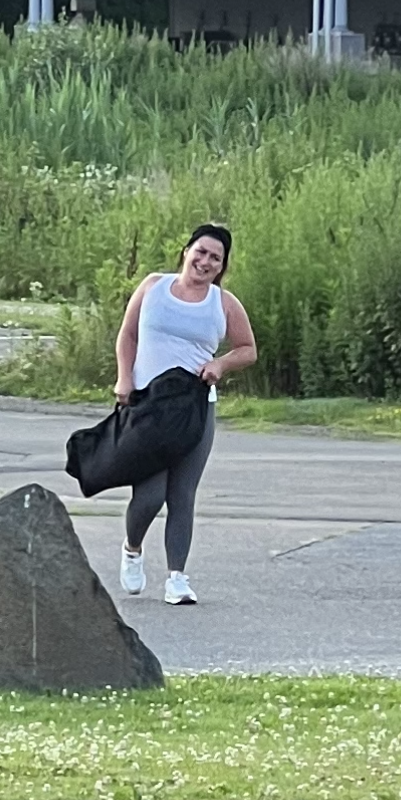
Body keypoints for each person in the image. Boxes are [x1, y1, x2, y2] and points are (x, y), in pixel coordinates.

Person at [113, 224, 256, 607]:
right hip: (146, 405)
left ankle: (177, 578)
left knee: (182, 494)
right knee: (149, 495)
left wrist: (220, 365)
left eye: (216, 258)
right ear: (186, 250)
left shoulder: (223, 303)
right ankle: (132, 548)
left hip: (195, 408)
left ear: (222, 266)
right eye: (201, 252)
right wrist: (124, 379)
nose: (205, 261)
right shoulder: (153, 287)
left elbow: (247, 349)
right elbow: (127, 336)